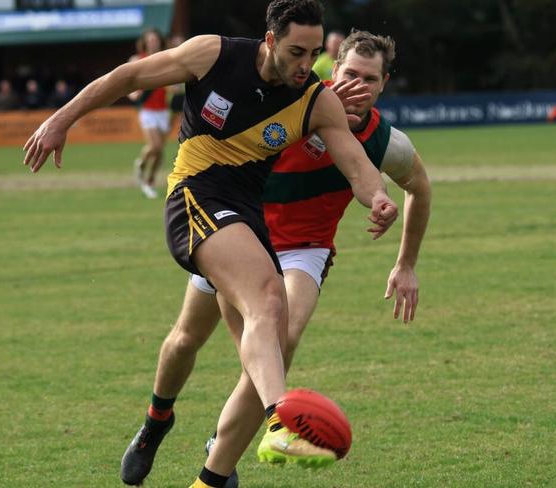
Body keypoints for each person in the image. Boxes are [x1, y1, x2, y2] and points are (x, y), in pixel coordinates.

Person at [22, 2, 398, 487]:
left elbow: (356, 164)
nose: (306, 65)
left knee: (267, 315)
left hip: (243, 220)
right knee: (235, 313)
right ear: (270, 40)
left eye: (311, 53)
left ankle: (215, 466)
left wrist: (380, 197)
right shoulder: (212, 55)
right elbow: (127, 77)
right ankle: (194, 420)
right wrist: (62, 119)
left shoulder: (315, 99)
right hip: (193, 199)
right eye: (296, 51)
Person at [119, 29, 431, 488]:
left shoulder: (385, 141)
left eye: (370, 79)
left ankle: (216, 469)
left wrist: (405, 263)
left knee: (279, 341)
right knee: (185, 339)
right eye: (349, 74)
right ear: (332, 70)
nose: (358, 86)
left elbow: (419, 189)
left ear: (384, 85)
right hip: (237, 235)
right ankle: (156, 420)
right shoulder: (291, 104)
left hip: (305, 248)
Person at [129, 28, 171, 199]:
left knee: (160, 152)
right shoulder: (137, 59)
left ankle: (150, 181)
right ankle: (141, 164)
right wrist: (133, 94)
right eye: (150, 40)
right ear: (145, 42)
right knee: (155, 146)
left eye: (155, 39)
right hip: (147, 110)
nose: (153, 42)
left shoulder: (167, 57)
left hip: (163, 110)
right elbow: (128, 83)